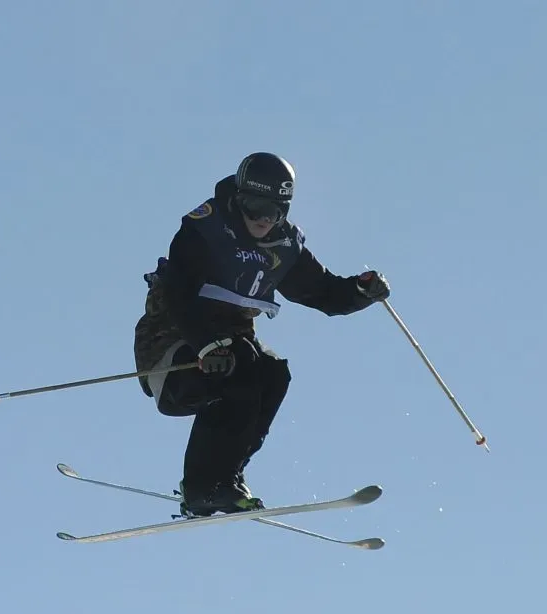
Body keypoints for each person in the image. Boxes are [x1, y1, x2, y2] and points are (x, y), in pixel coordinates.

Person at [133, 152, 390, 517]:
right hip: (172, 349)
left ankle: (225, 480)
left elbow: (321, 292)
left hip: (230, 354)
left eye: (274, 210)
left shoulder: (282, 247)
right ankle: (203, 486)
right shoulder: (205, 229)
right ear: (238, 198)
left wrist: (361, 292)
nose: (262, 219)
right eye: (254, 206)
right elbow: (178, 294)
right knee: (242, 363)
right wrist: (206, 344)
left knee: (272, 373)